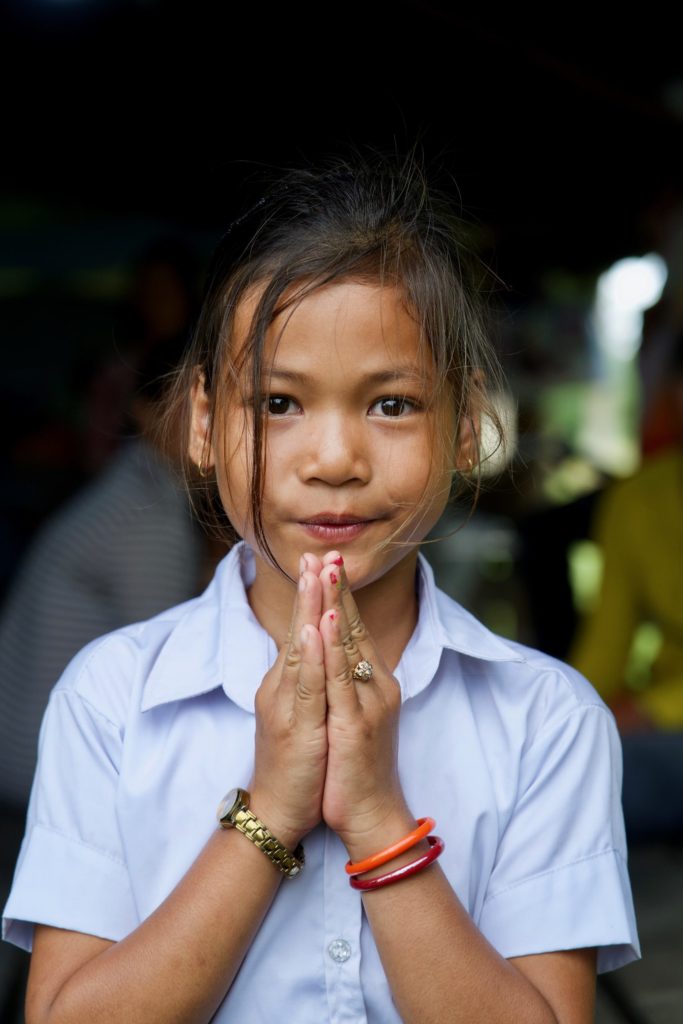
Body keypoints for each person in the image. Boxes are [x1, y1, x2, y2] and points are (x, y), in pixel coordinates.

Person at [2, 148, 639, 1024]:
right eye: (276, 404)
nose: (333, 460)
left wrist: (378, 820)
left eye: (391, 404)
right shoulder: (114, 701)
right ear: (198, 423)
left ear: (466, 426)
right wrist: (268, 812)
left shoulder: (547, 721)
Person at [569, 331, 683, 843]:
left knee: (606, 781)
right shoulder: (639, 499)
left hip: (665, 719)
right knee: (557, 763)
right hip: (661, 722)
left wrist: (653, 709)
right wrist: (566, 709)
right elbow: (606, 642)